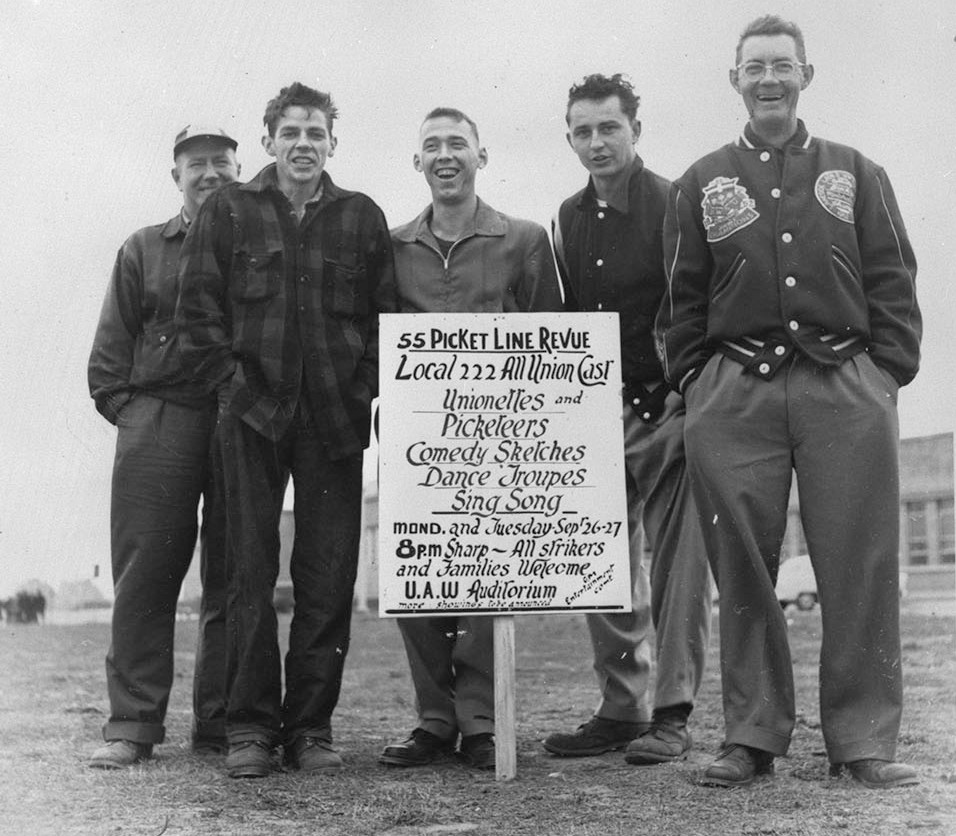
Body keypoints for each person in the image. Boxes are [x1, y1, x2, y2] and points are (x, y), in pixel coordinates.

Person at [658, 15, 922, 789]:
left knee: (861, 561)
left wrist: (885, 374)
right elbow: (680, 299)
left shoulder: (857, 170)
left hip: (845, 386)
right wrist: (696, 383)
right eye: (754, 67)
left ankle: (863, 741)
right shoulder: (701, 180)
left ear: (807, 73)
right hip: (734, 391)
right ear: (732, 79)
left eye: (782, 65)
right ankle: (751, 736)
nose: (768, 79)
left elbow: (893, 279)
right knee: (742, 566)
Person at [176, 82, 397, 779]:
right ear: (269, 140)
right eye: (291, 131)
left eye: (317, 132)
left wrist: (360, 390)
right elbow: (199, 314)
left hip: (333, 422)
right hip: (248, 419)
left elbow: (380, 324)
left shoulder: (362, 217)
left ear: (334, 142)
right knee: (246, 574)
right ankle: (250, 730)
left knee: (328, 578)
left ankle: (310, 729)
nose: (305, 143)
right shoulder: (229, 209)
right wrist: (234, 390)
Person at [379, 107, 563, 772]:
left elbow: (553, 345)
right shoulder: (393, 246)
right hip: (417, 442)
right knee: (418, 574)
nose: (445, 155)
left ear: (482, 155)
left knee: (489, 577)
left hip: (497, 444)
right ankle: (434, 718)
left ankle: (482, 719)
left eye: (457, 142)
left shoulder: (524, 239)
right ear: (418, 162)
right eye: (431, 145)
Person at [543, 74, 712, 766]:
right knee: (602, 565)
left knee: (678, 569)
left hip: (671, 408)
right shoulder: (568, 216)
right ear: (570, 138)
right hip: (600, 410)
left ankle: (671, 713)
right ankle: (621, 708)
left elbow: (700, 303)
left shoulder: (678, 202)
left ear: (635, 130)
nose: (596, 142)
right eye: (582, 131)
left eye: (608, 127)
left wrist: (686, 390)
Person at [87, 124, 240, 768]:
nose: (209, 173)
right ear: (174, 175)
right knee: (146, 574)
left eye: (221, 163)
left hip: (235, 419)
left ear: (240, 169)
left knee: (235, 574)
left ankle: (224, 724)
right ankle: (134, 724)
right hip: (158, 421)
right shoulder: (143, 247)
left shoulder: (259, 245)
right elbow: (107, 359)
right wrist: (136, 416)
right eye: (195, 164)